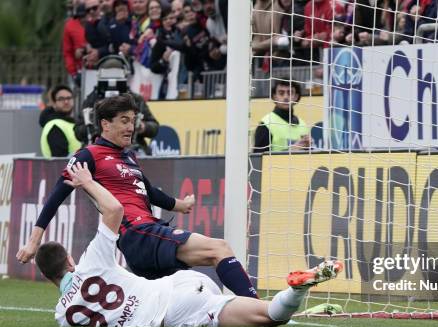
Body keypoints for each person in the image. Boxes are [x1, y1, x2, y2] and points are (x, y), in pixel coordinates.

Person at [36, 161, 342, 327]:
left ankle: (296, 290)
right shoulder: (92, 263)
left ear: (49, 277)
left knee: (270, 319)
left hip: (174, 311)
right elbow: (115, 210)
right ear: (71, 261)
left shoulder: (63, 316)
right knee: (261, 310)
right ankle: (292, 291)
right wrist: (88, 182)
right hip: (179, 283)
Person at [17, 94, 258, 300]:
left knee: (181, 298)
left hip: (142, 239)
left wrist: (180, 205)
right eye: (124, 121)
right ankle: (257, 307)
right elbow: (57, 196)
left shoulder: (128, 157)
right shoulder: (88, 155)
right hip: (138, 233)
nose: (131, 127)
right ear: (105, 124)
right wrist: (33, 241)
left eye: (132, 121)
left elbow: (150, 192)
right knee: (219, 248)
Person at [75, 55, 159, 154]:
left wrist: (141, 126)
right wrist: (92, 126)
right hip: (97, 151)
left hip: (132, 151)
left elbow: (154, 127)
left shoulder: (135, 99)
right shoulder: (91, 100)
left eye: (116, 74)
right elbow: (78, 131)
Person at [253, 78, 311, 153]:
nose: (286, 97)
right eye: (281, 93)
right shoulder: (266, 124)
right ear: (274, 97)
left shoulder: (303, 124)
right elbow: (258, 159)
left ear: (296, 97)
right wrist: (290, 150)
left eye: (290, 93)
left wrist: (309, 147)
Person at [39, 85, 82, 158]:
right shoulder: (55, 126)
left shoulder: (69, 122)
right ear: (54, 103)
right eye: (61, 99)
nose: (66, 102)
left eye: (69, 98)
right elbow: (61, 160)